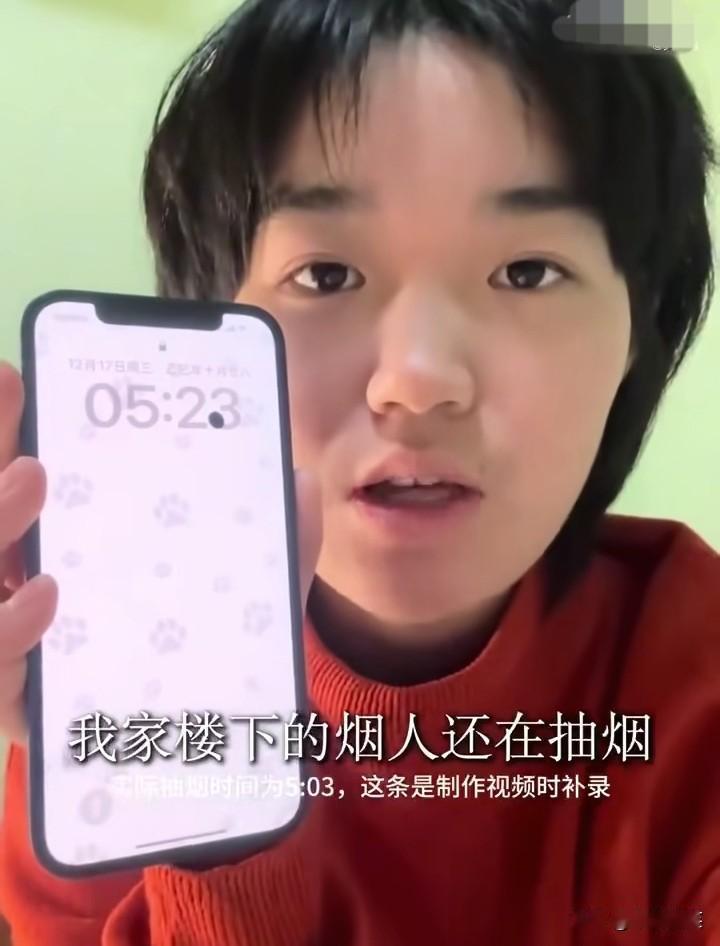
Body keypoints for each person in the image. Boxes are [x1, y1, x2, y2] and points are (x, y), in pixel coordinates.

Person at [1, 0, 718, 943]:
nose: (416, 381)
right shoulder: (106, 699)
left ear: (639, 332)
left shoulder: (695, 684)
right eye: (326, 275)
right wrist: (206, 808)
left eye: (528, 272)